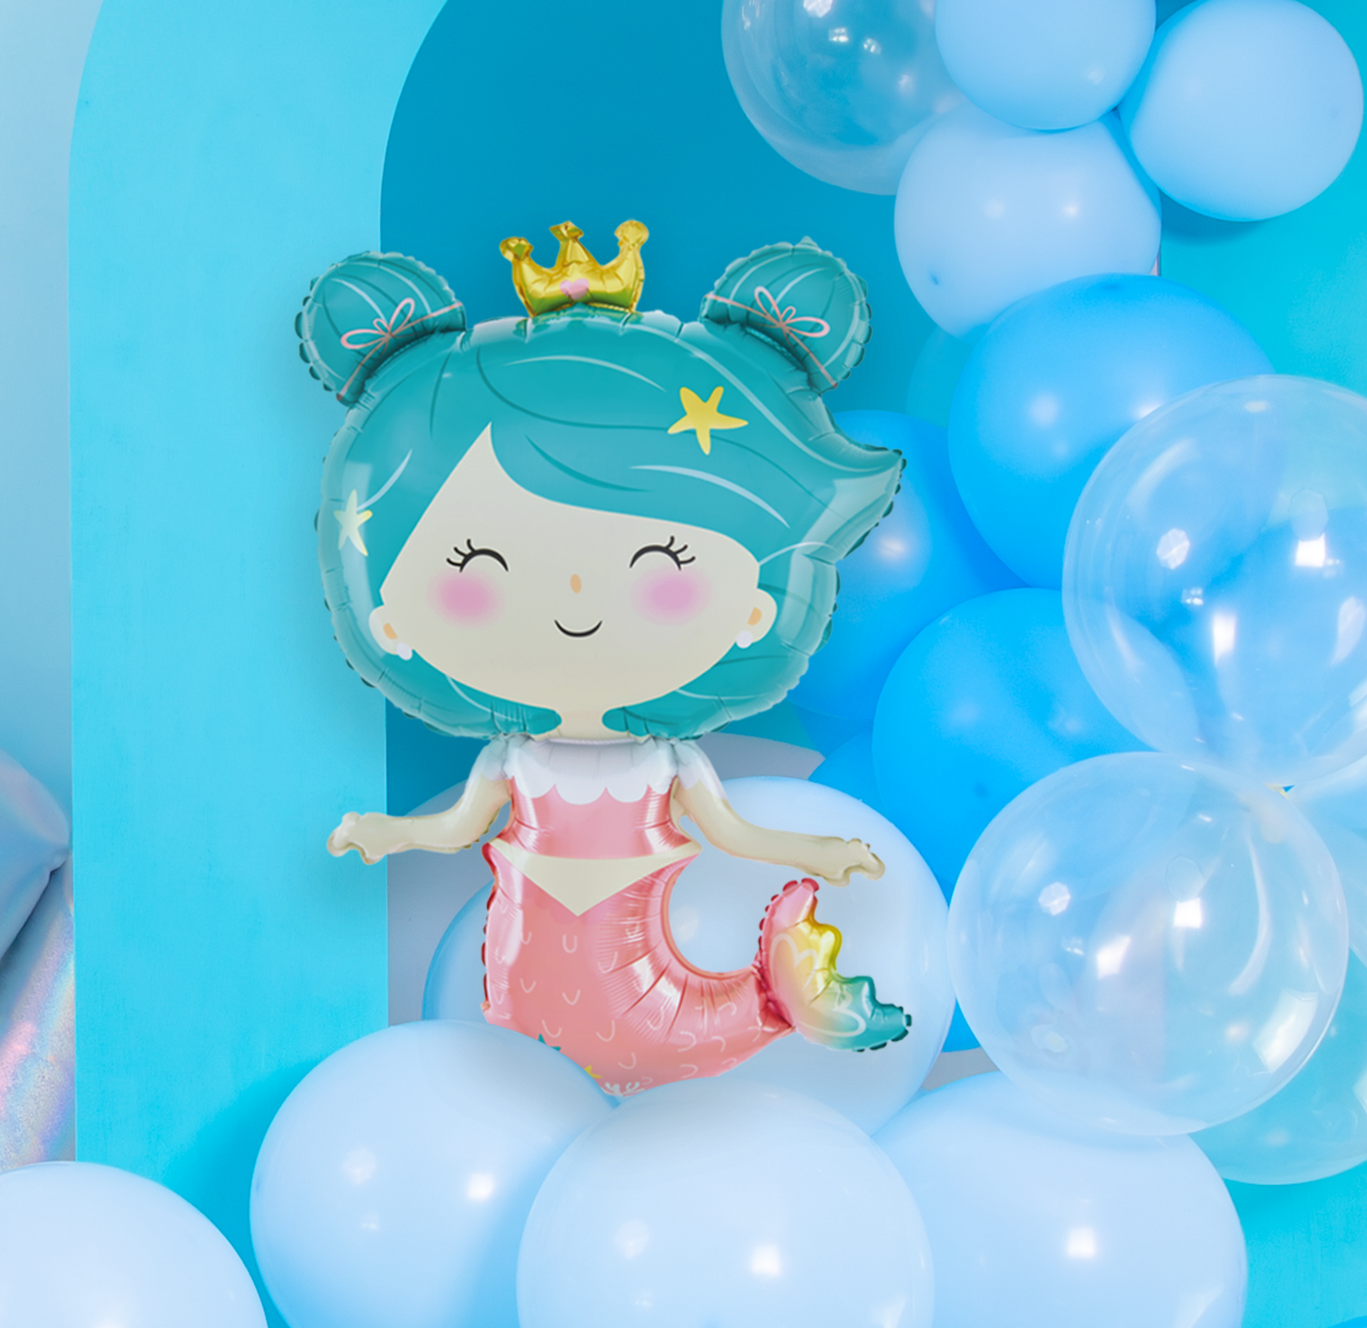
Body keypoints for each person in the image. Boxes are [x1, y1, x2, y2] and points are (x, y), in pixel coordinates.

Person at [301, 221, 910, 1094]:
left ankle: (782, 999)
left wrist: (815, 851)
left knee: (648, 1040)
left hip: (636, 968)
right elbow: (457, 829)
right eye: (479, 570)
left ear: (754, 611)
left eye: (661, 569)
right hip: (524, 970)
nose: (576, 606)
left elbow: (733, 833)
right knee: (534, 1057)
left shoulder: (662, 761)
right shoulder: (516, 758)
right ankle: (781, 999)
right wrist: (387, 832)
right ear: (390, 620)